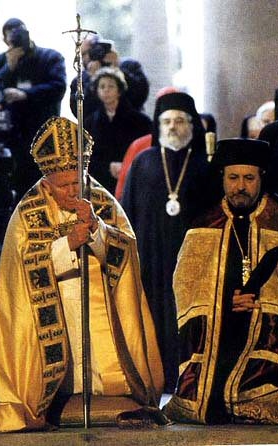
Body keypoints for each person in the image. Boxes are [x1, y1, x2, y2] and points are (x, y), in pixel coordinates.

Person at [0, 116, 165, 432]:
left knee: (102, 367)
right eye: (65, 185)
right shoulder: (28, 210)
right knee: (65, 372)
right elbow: (22, 267)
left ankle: (107, 391)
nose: (74, 190)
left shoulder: (100, 200)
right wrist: (66, 245)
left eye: (79, 182)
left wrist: (99, 230)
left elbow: (127, 250)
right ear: (47, 182)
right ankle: (57, 398)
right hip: (58, 301)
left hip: (99, 300)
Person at [163, 138, 278, 424]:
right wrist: (226, 300)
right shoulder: (205, 222)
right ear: (223, 179)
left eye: (249, 178)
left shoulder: (276, 219)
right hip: (218, 327)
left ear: (261, 178)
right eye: (233, 177)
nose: (240, 186)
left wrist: (259, 302)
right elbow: (186, 283)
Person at [121, 92, 212, 393]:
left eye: (180, 121)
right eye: (167, 121)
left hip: (194, 265)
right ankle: (154, 381)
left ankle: (189, 384)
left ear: (192, 125)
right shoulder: (143, 162)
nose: (173, 127)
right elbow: (127, 213)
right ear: (158, 126)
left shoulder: (205, 167)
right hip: (152, 261)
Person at [0, 18, 67, 196]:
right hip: (12, 137)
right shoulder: (0, 62)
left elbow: (58, 87)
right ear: (4, 40)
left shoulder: (50, 57)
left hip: (44, 133)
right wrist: (9, 67)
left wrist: (27, 94)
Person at [85, 66, 152, 194]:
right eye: (102, 87)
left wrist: (126, 166)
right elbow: (86, 158)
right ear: (97, 91)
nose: (106, 90)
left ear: (119, 90)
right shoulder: (89, 123)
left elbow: (146, 151)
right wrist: (108, 167)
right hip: (100, 185)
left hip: (132, 181)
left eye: (111, 86)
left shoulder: (140, 121)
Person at [70, 34, 150, 119]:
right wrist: (92, 79)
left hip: (132, 124)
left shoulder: (129, 66)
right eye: (82, 54)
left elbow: (141, 95)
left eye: (90, 51)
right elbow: (80, 113)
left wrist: (117, 70)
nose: (87, 57)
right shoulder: (79, 80)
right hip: (98, 129)